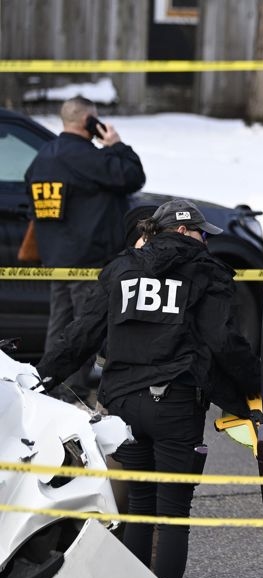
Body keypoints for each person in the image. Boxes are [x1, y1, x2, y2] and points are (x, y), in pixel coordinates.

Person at [36, 199, 260, 578]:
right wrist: (254, 390)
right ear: (185, 232)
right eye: (202, 232)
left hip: (122, 404)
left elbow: (81, 333)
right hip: (175, 402)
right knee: (172, 514)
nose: (205, 239)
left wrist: (43, 376)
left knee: (139, 505)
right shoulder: (206, 272)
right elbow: (225, 342)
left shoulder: (121, 268)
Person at [24, 96, 146, 404]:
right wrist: (116, 144)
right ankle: (72, 393)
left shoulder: (43, 157)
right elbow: (133, 176)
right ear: (88, 122)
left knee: (59, 326)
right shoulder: (86, 157)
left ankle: (50, 389)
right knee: (85, 328)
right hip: (88, 259)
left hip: (56, 260)